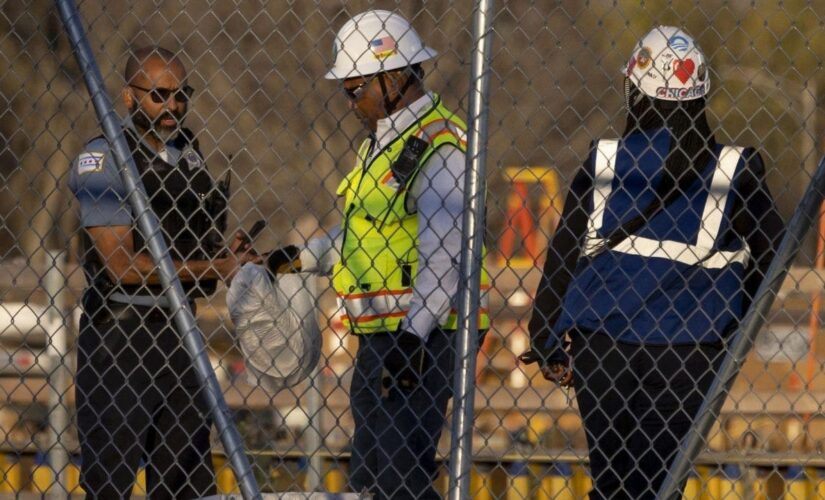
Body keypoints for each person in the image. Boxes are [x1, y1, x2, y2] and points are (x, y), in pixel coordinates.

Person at [519, 27, 784, 499]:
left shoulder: (604, 161)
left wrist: (545, 338)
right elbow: (773, 256)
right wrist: (734, 321)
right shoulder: (733, 169)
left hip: (604, 347)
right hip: (689, 348)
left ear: (633, 93)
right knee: (663, 480)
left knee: (613, 480)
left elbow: (563, 253)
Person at [267, 10, 489, 499]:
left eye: (354, 90)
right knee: (373, 479)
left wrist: (414, 337)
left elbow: (445, 254)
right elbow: (360, 233)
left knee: (395, 480)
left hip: (422, 339)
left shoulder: (440, 144)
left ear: (392, 78)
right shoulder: (384, 144)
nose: (350, 103)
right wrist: (299, 259)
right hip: (382, 337)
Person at [69, 47, 258, 499]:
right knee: (110, 478)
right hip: (121, 337)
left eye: (181, 94)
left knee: (185, 480)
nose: (172, 106)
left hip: (180, 332)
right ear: (129, 97)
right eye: (158, 95)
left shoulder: (187, 151)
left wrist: (224, 256)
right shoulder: (104, 157)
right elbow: (122, 267)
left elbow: (190, 244)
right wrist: (214, 266)